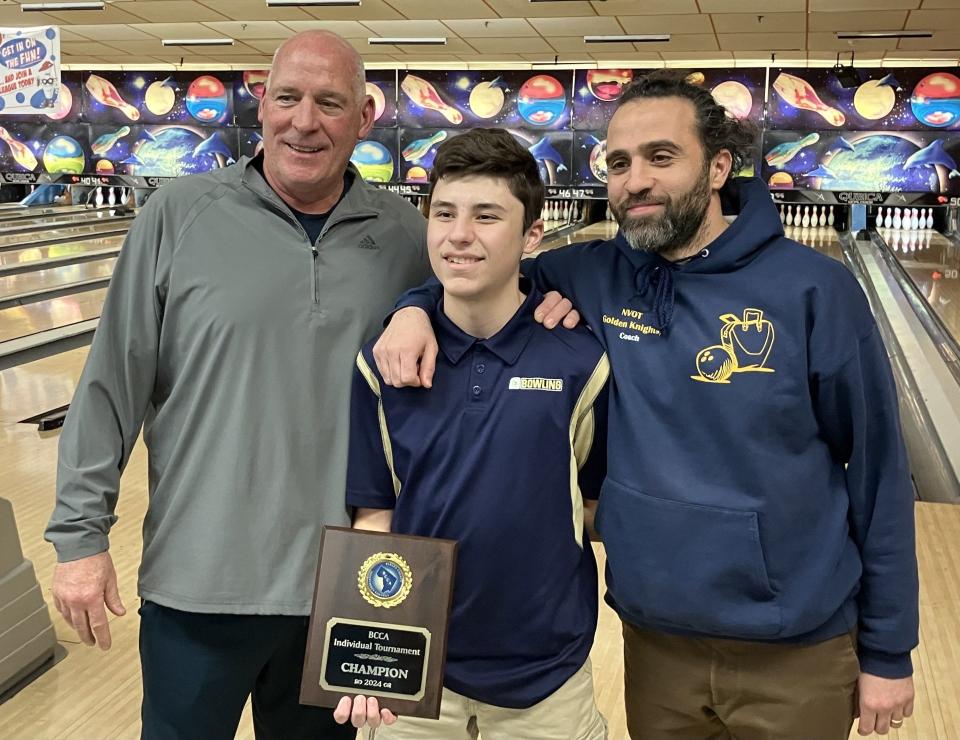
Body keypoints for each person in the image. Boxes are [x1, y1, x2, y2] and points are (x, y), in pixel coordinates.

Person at [372, 71, 919, 739]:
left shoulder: (815, 290)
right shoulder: (596, 273)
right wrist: (413, 308)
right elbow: (479, 271)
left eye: (661, 157)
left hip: (795, 646)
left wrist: (889, 650)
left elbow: (879, 472)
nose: (635, 181)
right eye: (620, 161)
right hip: (656, 641)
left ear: (718, 166)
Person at [45, 30, 433, 740]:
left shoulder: (406, 232)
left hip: (341, 590)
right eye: (287, 98)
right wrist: (80, 537)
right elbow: (110, 386)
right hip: (199, 582)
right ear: (263, 102)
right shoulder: (179, 213)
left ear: (365, 117)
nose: (304, 121)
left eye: (329, 102)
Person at [335, 128, 609, 740]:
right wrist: (366, 651)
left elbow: (592, 509)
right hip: (413, 676)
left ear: (533, 235)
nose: (460, 234)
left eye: (487, 216)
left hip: (549, 681)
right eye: (444, 214)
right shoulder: (385, 363)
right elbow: (374, 518)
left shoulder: (581, 362)